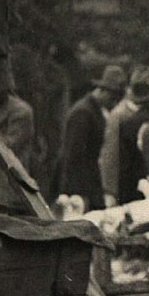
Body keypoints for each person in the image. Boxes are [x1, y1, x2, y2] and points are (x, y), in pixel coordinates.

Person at [57, 65, 127, 211]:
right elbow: (73, 155)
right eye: (113, 99)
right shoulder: (83, 113)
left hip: (90, 184)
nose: (113, 104)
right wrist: (80, 194)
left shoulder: (94, 111)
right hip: (80, 188)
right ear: (104, 91)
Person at [99, 65, 149, 207]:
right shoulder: (119, 115)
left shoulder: (123, 114)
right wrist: (111, 193)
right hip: (130, 187)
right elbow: (110, 157)